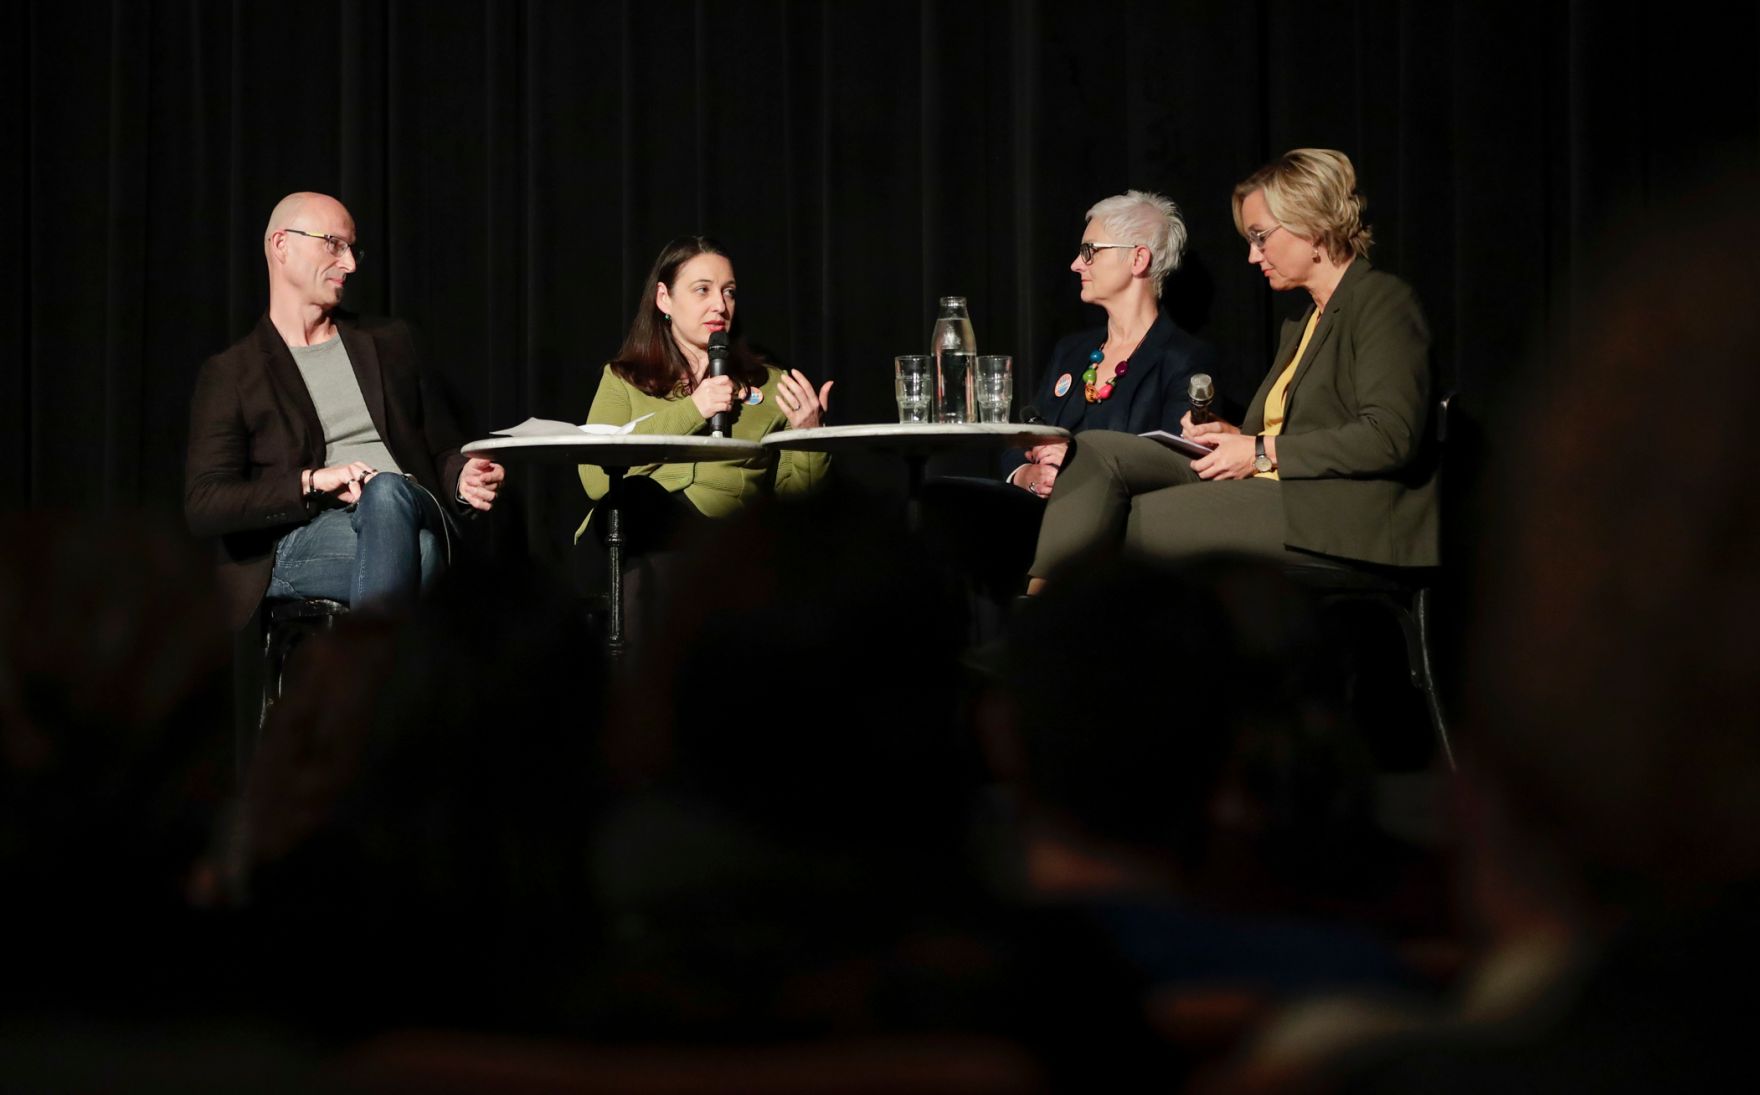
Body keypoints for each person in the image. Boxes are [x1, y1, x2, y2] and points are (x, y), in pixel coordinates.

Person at [1026, 150, 1437, 590]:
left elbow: (1389, 437)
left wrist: (1259, 449)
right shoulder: (1301, 323)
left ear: (1313, 225)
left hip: (1345, 519)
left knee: (1138, 517)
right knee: (1096, 450)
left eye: (1261, 237)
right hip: (1282, 494)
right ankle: (1039, 614)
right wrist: (1235, 436)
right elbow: (1294, 432)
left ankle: (1046, 637)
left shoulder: (1382, 300)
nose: (1253, 256)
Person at [184, 192, 505, 627]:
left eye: (353, 249)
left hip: (410, 503)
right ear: (282, 245)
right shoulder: (233, 373)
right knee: (424, 553)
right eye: (334, 244)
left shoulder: (392, 341)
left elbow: (442, 450)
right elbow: (206, 503)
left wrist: (462, 479)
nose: (351, 264)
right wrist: (311, 482)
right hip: (303, 539)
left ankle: (366, 685)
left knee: (388, 492)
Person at [575, 236, 832, 538]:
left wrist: (809, 439)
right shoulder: (624, 378)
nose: (720, 306)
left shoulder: (771, 384)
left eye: (729, 292)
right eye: (702, 290)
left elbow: (798, 499)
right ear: (663, 298)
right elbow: (595, 480)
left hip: (721, 546)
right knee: (636, 498)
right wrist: (693, 410)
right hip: (633, 535)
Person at [1006, 190, 1219, 497]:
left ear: (1138, 258)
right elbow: (1019, 442)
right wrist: (1028, 474)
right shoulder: (1071, 351)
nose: (1076, 264)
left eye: (1089, 251)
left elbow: (1177, 469)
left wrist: (1080, 463)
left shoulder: (1186, 359)